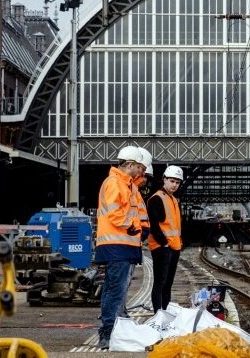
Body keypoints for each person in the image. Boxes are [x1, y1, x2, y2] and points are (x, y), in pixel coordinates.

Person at [95, 146, 146, 349]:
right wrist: (133, 226)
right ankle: (108, 332)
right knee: (115, 289)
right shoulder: (115, 183)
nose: (140, 171)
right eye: (138, 167)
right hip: (116, 244)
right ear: (130, 165)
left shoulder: (125, 184)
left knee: (113, 288)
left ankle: (111, 330)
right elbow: (115, 213)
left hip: (121, 245)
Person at [147, 165, 183, 313]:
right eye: (172, 181)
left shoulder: (173, 199)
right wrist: (164, 243)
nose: (174, 185)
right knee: (160, 283)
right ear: (164, 180)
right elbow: (154, 226)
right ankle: (158, 314)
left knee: (168, 284)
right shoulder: (156, 199)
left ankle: (165, 312)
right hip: (162, 248)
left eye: (177, 182)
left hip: (173, 247)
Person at [122, 147, 153, 315]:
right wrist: (136, 229)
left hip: (132, 242)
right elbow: (123, 216)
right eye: (143, 173)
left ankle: (121, 314)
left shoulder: (134, 190)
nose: (145, 179)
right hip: (125, 243)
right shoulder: (124, 187)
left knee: (124, 284)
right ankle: (118, 318)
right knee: (120, 284)